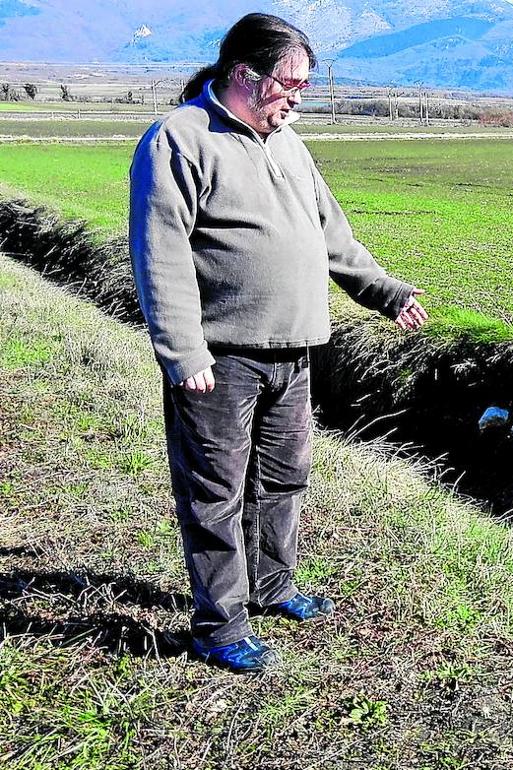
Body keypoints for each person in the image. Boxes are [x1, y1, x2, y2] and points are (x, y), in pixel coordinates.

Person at [129, 13, 428, 674]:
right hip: (219, 360)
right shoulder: (180, 140)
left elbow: (332, 234)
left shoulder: (288, 141)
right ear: (245, 75)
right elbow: (161, 257)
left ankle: (271, 587)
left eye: (303, 87)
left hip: (292, 353)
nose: (297, 98)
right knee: (215, 495)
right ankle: (219, 625)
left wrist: (385, 292)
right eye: (288, 85)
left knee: (284, 479)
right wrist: (183, 354)